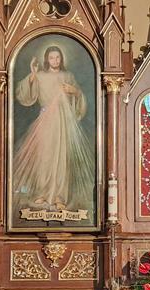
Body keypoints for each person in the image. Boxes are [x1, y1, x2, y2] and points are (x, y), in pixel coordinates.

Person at [13, 45, 94, 213]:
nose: (55, 61)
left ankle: (59, 196)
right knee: (44, 157)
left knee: (62, 158)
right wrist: (33, 74)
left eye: (58, 57)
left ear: (61, 59)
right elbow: (24, 93)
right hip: (46, 121)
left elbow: (79, 96)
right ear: (47, 59)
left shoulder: (68, 76)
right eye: (51, 58)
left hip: (64, 122)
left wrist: (75, 92)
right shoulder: (40, 75)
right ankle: (42, 192)